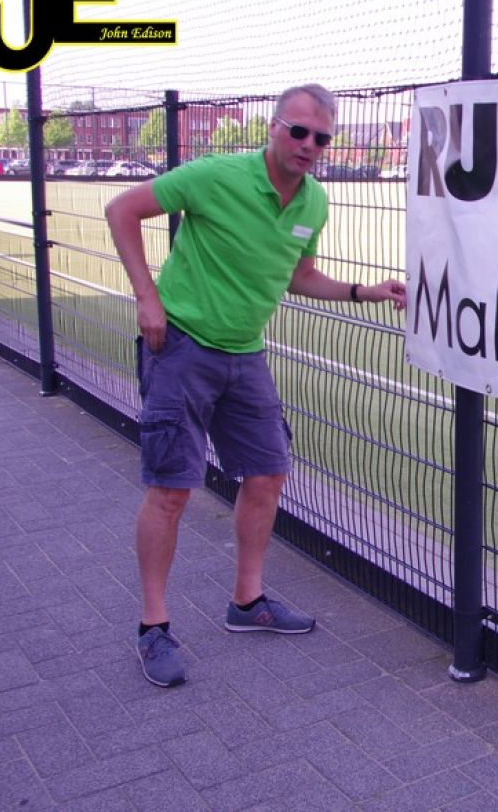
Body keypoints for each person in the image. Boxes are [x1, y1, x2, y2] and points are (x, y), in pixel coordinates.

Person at [106, 83, 407, 687]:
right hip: (181, 347)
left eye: (321, 137)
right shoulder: (217, 176)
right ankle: (153, 626)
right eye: (298, 131)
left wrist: (361, 291)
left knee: (267, 474)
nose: (309, 144)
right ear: (273, 128)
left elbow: (298, 275)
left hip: (244, 354)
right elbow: (122, 210)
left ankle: (247, 602)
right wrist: (146, 297)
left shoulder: (314, 201)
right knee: (172, 489)